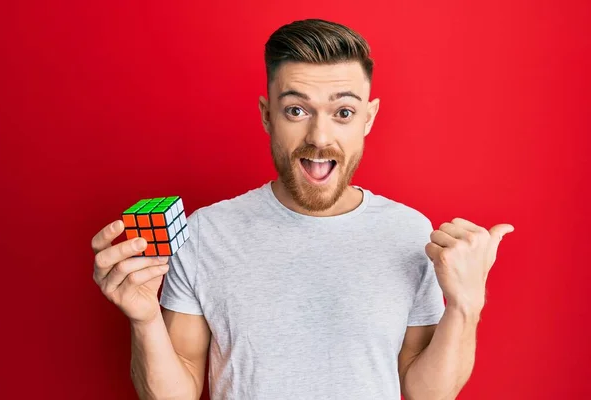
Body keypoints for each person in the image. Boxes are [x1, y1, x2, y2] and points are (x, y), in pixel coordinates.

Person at [91, 18, 514, 400]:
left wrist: (466, 306)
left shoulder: (408, 232)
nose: (319, 135)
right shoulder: (208, 233)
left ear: (368, 118)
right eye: (296, 110)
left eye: (343, 112)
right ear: (266, 115)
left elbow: (427, 393)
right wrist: (144, 320)